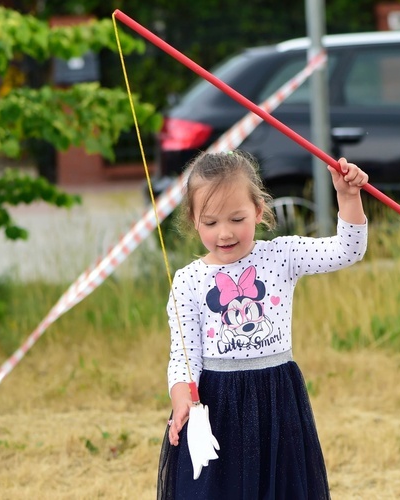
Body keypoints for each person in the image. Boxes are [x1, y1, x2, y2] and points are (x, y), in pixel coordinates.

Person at [157, 150, 368, 499]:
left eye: (237, 218)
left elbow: (348, 250)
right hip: (217, 405)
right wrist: (182, 401)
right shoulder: (188, 280)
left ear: (258, 210)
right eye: (210, 223)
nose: (224, 233)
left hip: (276, 400)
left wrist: (348, 196)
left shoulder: (281, 255)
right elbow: (183, 356)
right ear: (193, 220)